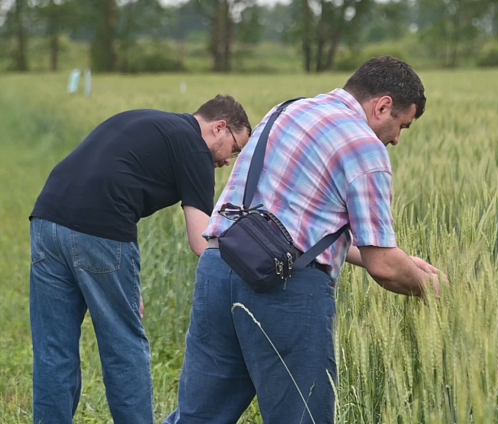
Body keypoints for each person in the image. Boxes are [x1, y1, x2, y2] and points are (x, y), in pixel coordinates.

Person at [163, 56, 446, 424]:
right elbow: (385, 267)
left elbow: (294, 223)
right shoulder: (364, 146)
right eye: (401, 125)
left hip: (218, 266)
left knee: (199, 417)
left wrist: (402, 260)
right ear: (383, 105)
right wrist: (436, 289)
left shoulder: (287, 111)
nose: (396, 139)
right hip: (284, 292)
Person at [28, 95, 252, 424]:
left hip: (46, 222)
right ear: (219, 128)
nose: (229, 161)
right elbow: (201, 241)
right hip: (99, 230)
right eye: (234, 148)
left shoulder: (149, 121)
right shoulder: (194, 147)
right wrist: (252, 264)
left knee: (53, 351)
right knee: (125, 352)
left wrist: (127, 286)